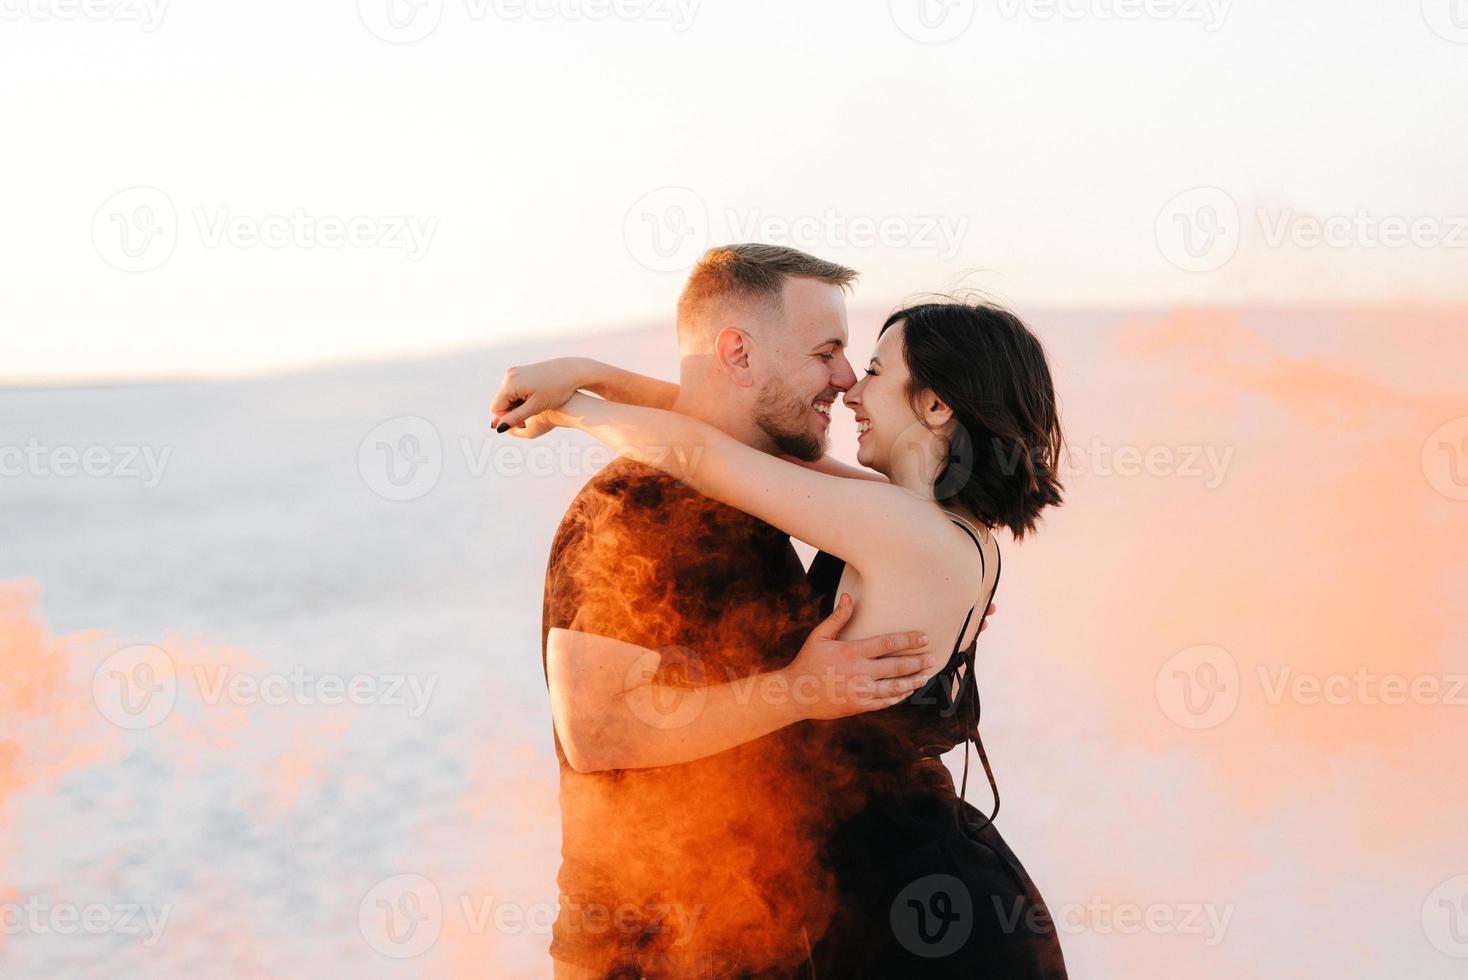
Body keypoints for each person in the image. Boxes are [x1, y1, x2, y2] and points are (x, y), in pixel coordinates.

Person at [500, 244, 1068, 976]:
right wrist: (586, 376)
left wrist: (572, 408)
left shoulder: (902, 531)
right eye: (833, 355)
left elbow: (710, 454)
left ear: (933, 405)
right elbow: (737, 440)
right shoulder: (912, 518)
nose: (849, 389)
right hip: (891, 896)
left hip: (912, 910)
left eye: (868, 369)